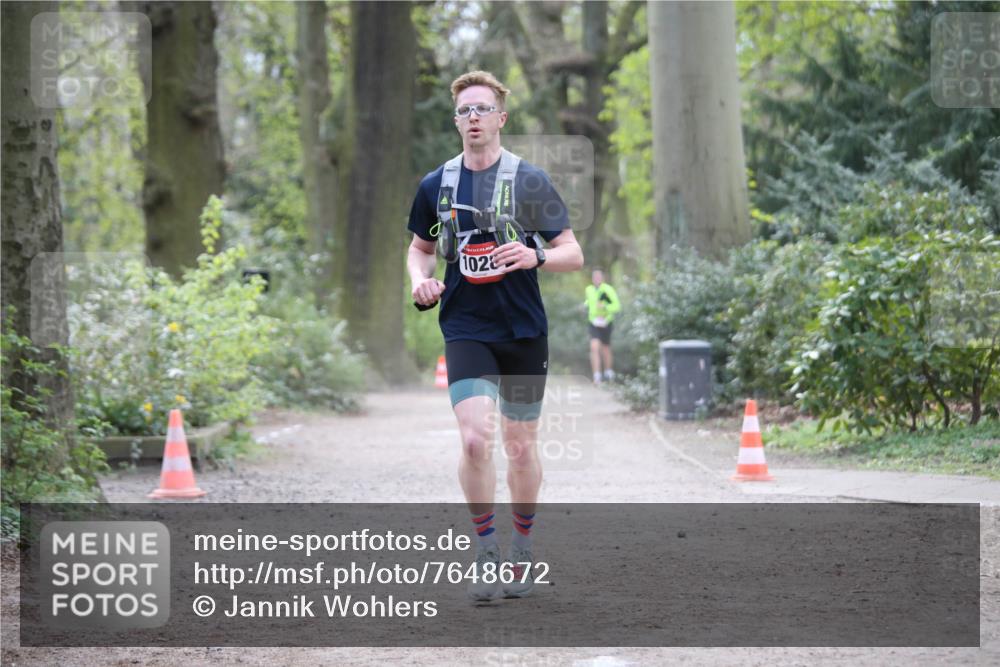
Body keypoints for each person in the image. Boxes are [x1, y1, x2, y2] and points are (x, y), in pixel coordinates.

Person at [407, 71, 584, 601]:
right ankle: (486, 550)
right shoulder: (436, 185)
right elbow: (420, 247)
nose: (474, 118)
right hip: (465, 326)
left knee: (520, 449)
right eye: (464, 111)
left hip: (524, 330)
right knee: (475, 439)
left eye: (482, 109)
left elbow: (573, 252)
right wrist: (421, 281)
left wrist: (536, 255)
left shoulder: (529, 181)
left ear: (501, 118)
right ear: (457, 120)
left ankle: (521, 550)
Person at [585, 269, 621, 384]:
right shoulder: (589, 289)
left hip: (606, 323)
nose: (596, 279)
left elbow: (616, 306)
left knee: (605, 349)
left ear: (602, 278)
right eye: (594, 277)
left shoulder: (608, 289)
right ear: (592, 278)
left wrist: (605, 307)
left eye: (599, 277)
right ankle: (597, 376)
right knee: (594, 347)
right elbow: (590, 302)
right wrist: (585, 305)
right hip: (593, 323)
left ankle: (608, 372)